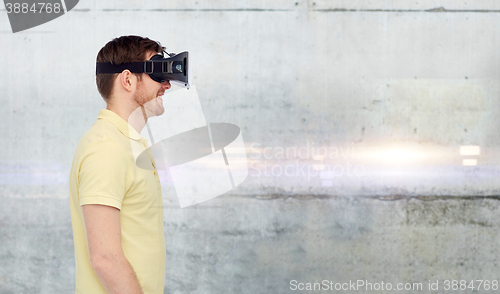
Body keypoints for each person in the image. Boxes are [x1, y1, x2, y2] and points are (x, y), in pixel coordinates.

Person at [69, 35, 171, 294]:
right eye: (158, 72)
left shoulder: (127, 144)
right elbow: (105, 258)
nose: (167, 84)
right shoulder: (107, 149)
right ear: (127, 80)